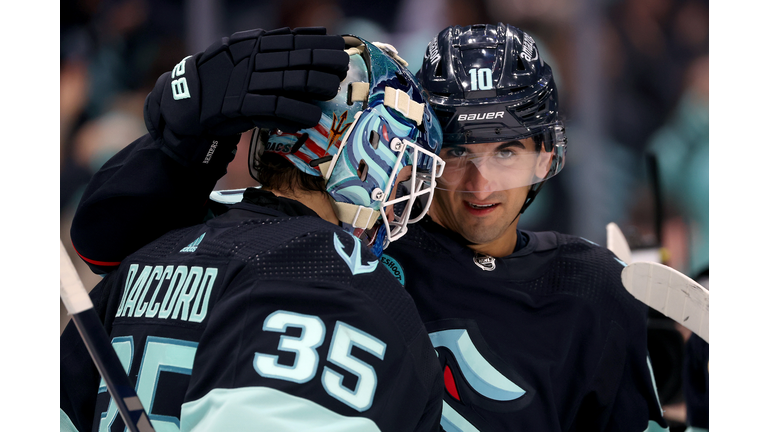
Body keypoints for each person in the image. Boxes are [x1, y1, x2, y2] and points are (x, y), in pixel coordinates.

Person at [68, 24, 669, 431]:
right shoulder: (341, 263)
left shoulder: (592, 285)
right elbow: (105, 240)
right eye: (458, 153)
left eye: (507, 151)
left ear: (546, 155)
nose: (480, 186)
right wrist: (178, 139)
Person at [61, 28, 446, 432]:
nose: (403, 190)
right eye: (404, 169)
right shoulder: (332, 276)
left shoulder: (153, 251)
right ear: (368, 149)